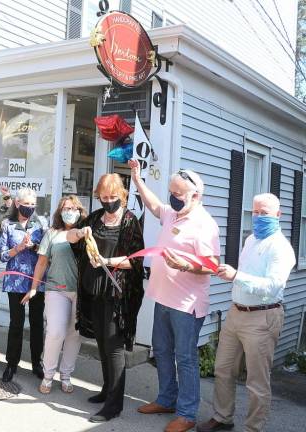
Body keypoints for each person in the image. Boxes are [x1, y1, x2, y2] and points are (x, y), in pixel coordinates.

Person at [129, 159, 220, 432]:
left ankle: (187, 413)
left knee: (186, 358)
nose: (173, 197)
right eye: (172, 192)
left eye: (178, 194)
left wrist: (186, 265)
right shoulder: (173, 214)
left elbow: (213, 265)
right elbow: (155, 205)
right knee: (163, 352)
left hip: (186, 305)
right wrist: (137, 179)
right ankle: (166, 399)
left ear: (196, 195)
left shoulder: (205, 224)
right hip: (163, 299)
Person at [197, 193, 295, 432]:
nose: (259, 217)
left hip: (263, 316)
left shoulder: (281, 248)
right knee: (223, 368)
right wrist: (229, 274)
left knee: (256, 381)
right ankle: (222, 417)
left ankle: (253, 428)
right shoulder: (250, 239)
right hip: (236, 313)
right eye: (256, 212)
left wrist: (237, 276)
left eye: (265, 213)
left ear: (278, 215)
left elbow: (273, 285)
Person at [66, 173, 145, 423]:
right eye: (103, 197)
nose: (108, 201)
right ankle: (106, 390)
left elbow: (136, 261)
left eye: (113, 197)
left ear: (122, 196)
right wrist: (79, 233)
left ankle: (114, 405)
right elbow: (70, 240)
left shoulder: (130, 222)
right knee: (101, 342)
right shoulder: (95, 218)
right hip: (93, 291)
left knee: (113, 347)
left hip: (115, 294)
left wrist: (108, 262)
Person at [22, 195, 87, 394]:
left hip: (81, 292)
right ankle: (48, 374)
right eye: (66, 208)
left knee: (74, 335)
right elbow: (42, 262)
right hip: (56, 289)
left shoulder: (85, 233)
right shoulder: (52, 233)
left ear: (80, 211)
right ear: (60, 212)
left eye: (74, 208)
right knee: (55, 332)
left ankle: (66, 375)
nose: (70, 211)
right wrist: (33, 288)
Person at [0, 187, 46, 383]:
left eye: (33, 204)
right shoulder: (7, 225)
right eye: (26, 204)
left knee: (36, 324)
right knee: (16, 324)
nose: (30, 208)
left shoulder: (40, 225)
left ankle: (37, 363)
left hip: (37, 281)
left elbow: (45, 252)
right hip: (15, 281)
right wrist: (18, 248)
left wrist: (33, 246)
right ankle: (12, 363)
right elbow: (2, 255)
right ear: (17, 204)